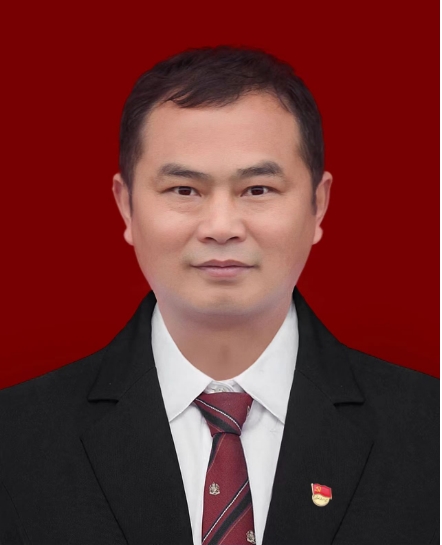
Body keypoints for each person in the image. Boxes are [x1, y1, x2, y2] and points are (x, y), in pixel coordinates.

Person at [0, 45, 438, 545]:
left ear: (318, 205)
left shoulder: (431, 433)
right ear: (126, 206)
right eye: (184, 190)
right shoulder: (15, 440)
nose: (222, 227)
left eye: (258, 189)